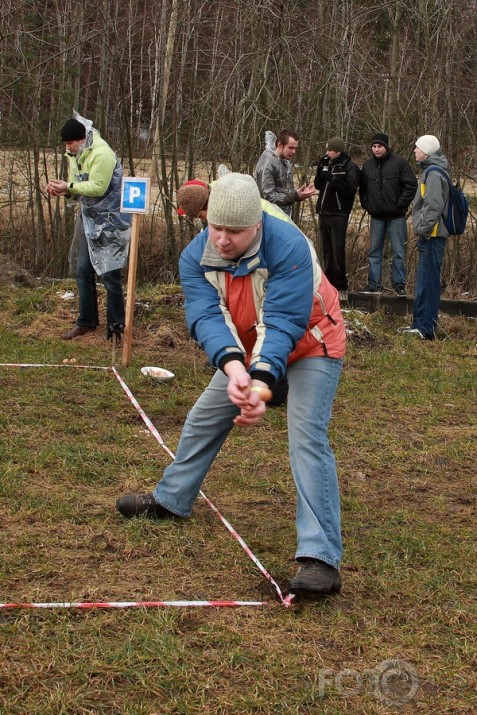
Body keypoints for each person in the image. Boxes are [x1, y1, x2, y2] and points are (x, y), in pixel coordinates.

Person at [117, 173, 346, 596]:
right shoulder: (195, 255)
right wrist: (236, 371)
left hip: (313, 343)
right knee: (204, 417)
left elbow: (282, 324)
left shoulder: (290, 246)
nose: (221, 240)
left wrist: (260, 381)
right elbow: (206, 317)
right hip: (247, 351)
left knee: (306, 437)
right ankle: (171, 499)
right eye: (215, 227)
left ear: (256, 225)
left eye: (234, 232)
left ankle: (320, 557)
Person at [47, 117, 131, 341]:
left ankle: (116, 325)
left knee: (109, 272)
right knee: (83, 268)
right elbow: (78, 188)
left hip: (111, 221)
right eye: (65, 144)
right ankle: (86, 321)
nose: (67, 148)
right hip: (89, 218)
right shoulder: (76, 155)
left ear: (82, 139)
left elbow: (98, 186)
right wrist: (64, 191)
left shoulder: (102, 153)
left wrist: (70, 186)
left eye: (70, 143)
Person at [400, 135, 450, 340]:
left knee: (428, 283)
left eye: (418, 148)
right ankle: (419, 324)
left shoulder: (434, 174)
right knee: (423, 281)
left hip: (432, 235)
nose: (414, 151)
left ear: (427, 151)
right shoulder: (431, 171)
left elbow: (433, 206)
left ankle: (426, 328)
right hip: (431, 234)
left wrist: (422, 229)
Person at [359, 133, 417, 297]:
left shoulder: (400, 163)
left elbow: (411, 185)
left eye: (380, 146)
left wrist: (401, 204)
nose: (376, 150)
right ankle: (374, 284)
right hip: (376, 216)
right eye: (374, 146)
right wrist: (367, 204)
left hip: (396, 217)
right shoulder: (368, 165)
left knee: (398, 252)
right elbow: (362, 188)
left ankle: (399, 285)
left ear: (386, 147)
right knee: (374, 252)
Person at [314, 137, 360, 302]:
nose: (327, 153)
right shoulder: (327, 163)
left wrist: (333, 179)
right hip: (324, 211)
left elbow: (350, 190)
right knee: (326, 251)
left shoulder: (350, 167)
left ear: (338, 151)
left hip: (339, 213)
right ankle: (328, 285)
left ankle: (341, 286)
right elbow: (318, 185)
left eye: (330, 151)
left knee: (337, 250)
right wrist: (321, 171)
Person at [254, 129, 315, 217]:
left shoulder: (285, 162)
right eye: (290, 148)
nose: (294, 152)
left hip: (283, 217)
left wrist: (298, 194)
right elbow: (268, 196)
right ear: (280, 145)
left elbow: (283, 191)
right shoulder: (267, 165)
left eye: (295, 148)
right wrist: (294, 196)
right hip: (270, 219)